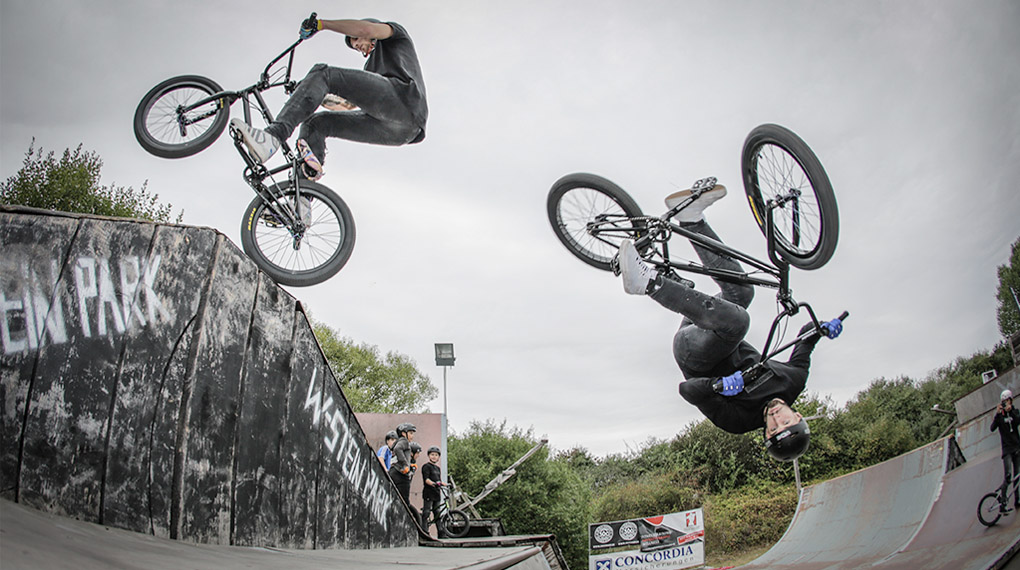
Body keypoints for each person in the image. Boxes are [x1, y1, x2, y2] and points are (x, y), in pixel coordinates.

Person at [615, 182, 842, 462]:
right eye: (785, 422)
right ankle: (692, 220)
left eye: (773, 429)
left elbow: (687, 390)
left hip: (694, 352)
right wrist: (821, 329)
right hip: (714, 323)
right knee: (743, 292)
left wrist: (718, 386)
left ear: (765, 434)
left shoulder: (738, 421)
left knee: (738, 322)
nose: (775, 419)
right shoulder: (794, 380)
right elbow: (806, 340)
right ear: (797, 415)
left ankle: (647, 283)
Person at [231, 14, 427, 180]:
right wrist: (308, 91)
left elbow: (366, 30)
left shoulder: (393, 35)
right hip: (400, 132)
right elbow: (347, 106)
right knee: (315, 123)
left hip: (404, 100)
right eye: (353, 44)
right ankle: (301, 201)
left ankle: (273, 136)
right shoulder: (370, 70)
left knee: (324, 72)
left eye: (356, 40)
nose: (357, 45)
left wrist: (322, 25)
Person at [991, 389, 1020, 513]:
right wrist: (997, 414)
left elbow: (1018, 421)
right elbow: (992, 428)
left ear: (1011, 401)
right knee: (1008, 476)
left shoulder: (1015, 412)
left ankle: (1017, 500)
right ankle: (1002, 503)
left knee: (1017, 476)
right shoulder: (1000, 416)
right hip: (1007, 450)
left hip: (1017, 448)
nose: (1005, 404)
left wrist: (1011, 412)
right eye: (1003, 402)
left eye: (1007, 401)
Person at [388, 423, 417, 506]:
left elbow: (397, 456)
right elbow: (398, 449)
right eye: (411, 433)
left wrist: (410, 465)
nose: (412, 436)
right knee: (404, 502)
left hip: (394, 472)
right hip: (401, 475)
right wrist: (405, 465)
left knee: (395, 498)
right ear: (404, 433)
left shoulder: (398, 442)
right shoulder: (404, 441)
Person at [420, 446, 444, 532]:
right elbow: (426, 479)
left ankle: (441, 532)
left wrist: (447, 485)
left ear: (438, 457)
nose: (434, 456)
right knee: (426, 512)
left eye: (436, 455)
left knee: (437, 513)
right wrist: (433, 484)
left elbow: (439, 481)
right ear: (429, 456)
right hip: (428, 493)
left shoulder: (438, 469)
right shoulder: (426, 466)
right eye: (432, 454)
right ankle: (424, 531)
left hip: (436, 493)